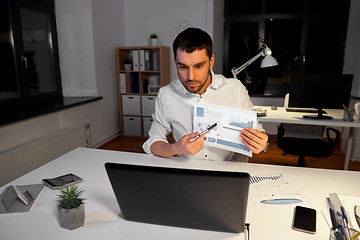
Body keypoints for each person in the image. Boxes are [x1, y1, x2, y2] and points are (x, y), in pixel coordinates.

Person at [142, 27, 268, 162]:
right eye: (183, 67)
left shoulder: (236, 90)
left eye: (198, 66)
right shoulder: (166, 95)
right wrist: (176, 148)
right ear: (175, 62)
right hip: (188, 173)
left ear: (211, 62)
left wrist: (263, 144)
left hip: (229, 174)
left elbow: (257, 132)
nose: (191, 77)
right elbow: (153, 143)